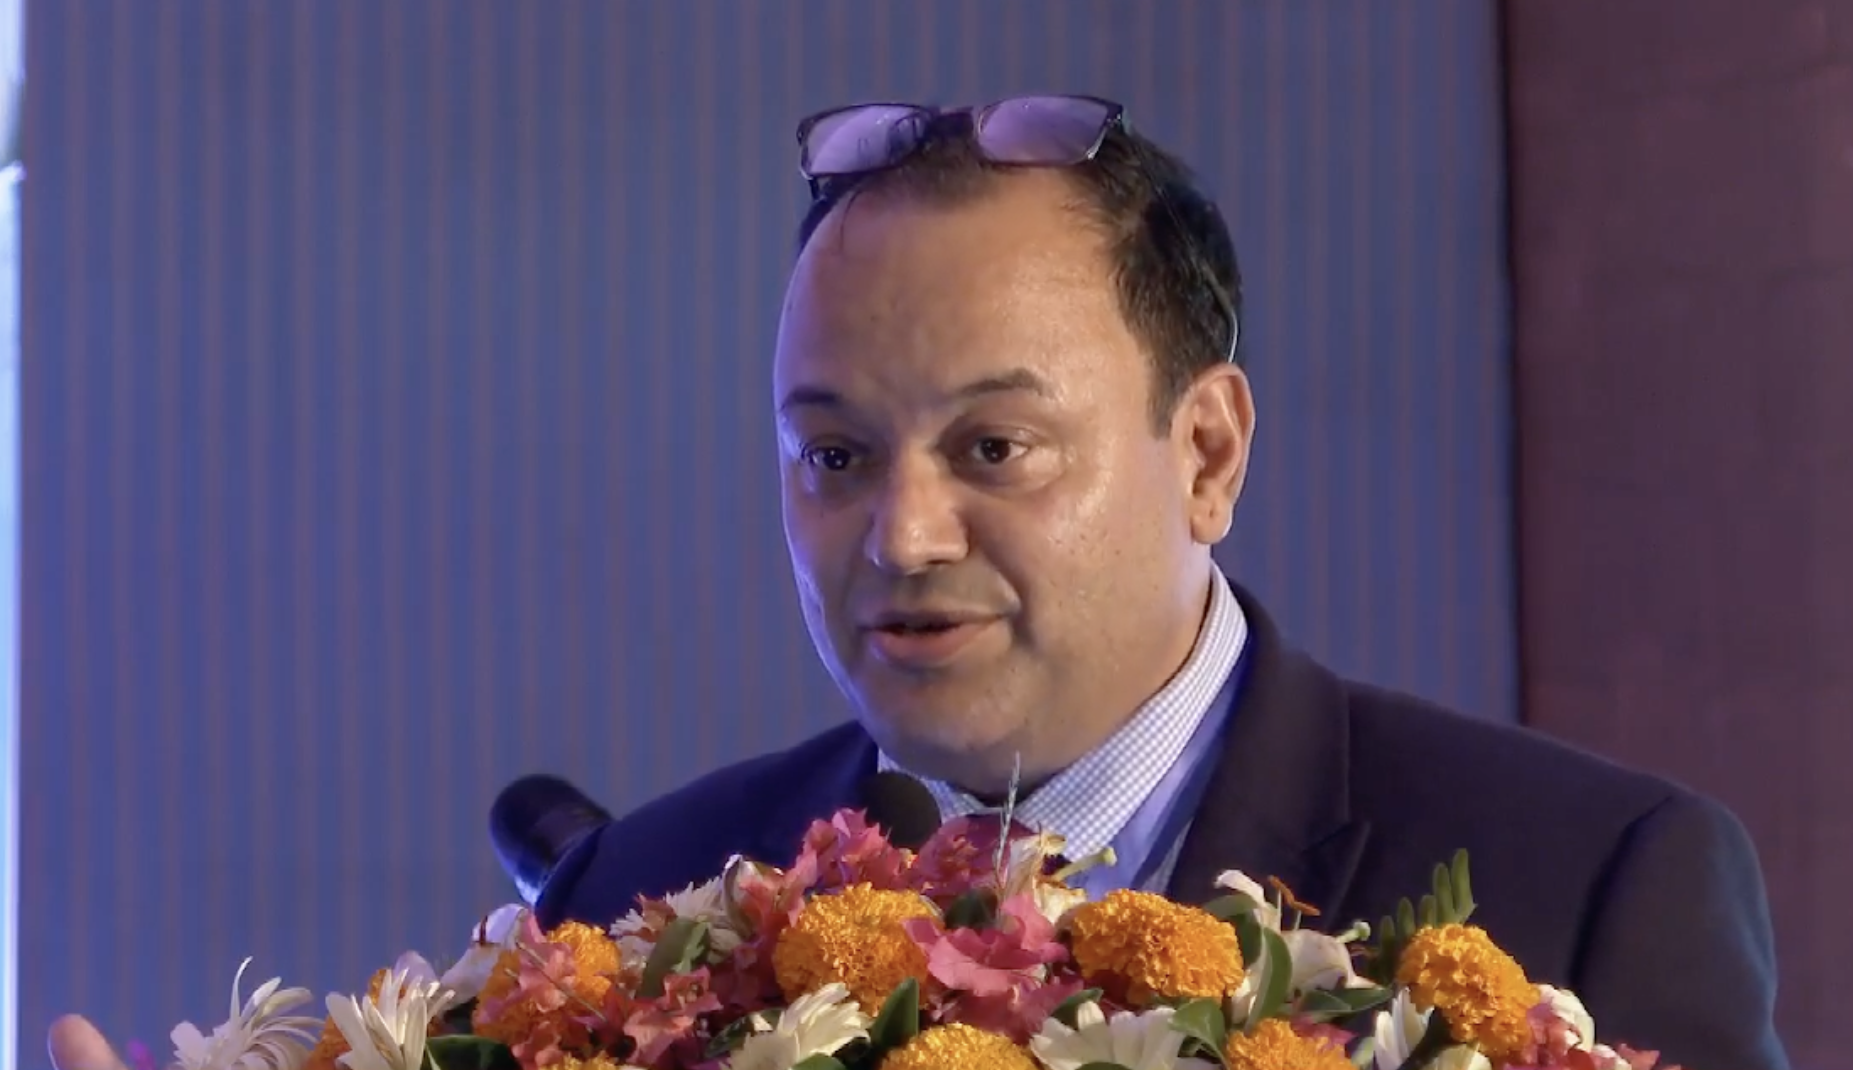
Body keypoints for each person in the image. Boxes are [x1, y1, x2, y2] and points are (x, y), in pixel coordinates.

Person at [49, 95, 1789, 1070]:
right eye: (832, 454)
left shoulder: (1587, 895)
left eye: (993, 446)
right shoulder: (632, 903)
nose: (902, 534)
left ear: (1207, 450)